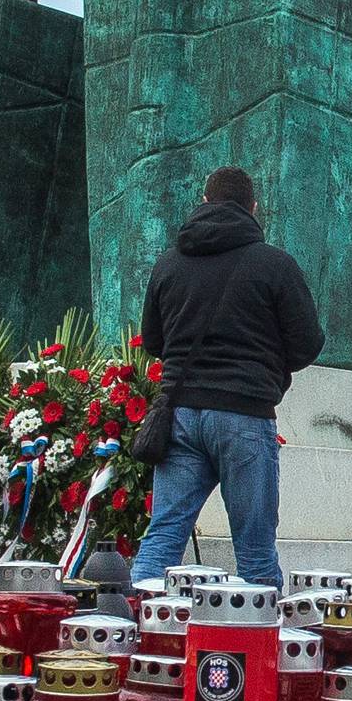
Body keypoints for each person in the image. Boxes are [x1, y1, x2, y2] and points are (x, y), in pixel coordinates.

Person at [131, 166, 325, 590]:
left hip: (180, 415)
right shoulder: (275, 265)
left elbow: (152, 341)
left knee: (162, 538)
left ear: (203, 202)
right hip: (245, 414)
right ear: (254, 208)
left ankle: (140, 629)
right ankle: (255, 652)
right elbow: (308, 343)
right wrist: (266, 366)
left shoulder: (168, 264)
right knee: (254, 553)